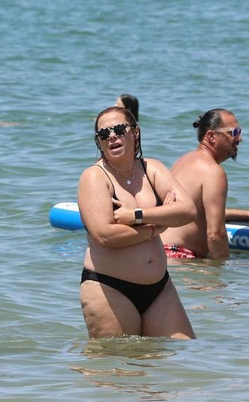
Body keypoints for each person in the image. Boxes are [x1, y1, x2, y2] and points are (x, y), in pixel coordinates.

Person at [76, 99, 197, 338]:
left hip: (160, 288)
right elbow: (105, 235)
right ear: (99, 141)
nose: (112, 136)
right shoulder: (94, 177)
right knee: (119, 370)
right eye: (104, 133)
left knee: (183, 360)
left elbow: (188, 210)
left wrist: (137, 216)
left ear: (136, 133)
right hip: (110, 288)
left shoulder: (152, 168)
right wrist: (157, 228)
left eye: (120, 129)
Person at [161, 108, 249, 261]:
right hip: (180, 256)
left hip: (160, 254)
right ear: (211, 136)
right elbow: (215, 234)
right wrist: (219, 273)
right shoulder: (213, 171)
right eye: (233, 133)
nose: (239, 138)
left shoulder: (184, 160)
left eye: (239, 132)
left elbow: (199, 211)